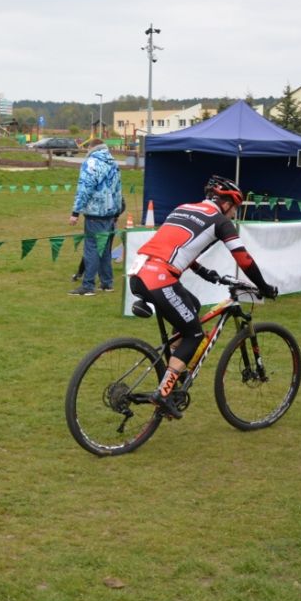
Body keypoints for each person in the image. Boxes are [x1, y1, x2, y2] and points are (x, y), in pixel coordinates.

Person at [128, 175, 278, 419]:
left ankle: (174, 369)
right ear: (226, 203)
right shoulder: (220, 221)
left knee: (193, 306)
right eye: (235, 208)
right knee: (194, 334)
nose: (234, 214)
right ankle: (163, 394)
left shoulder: (183, 208)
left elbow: (174, 244)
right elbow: (243, 259)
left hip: (139, 272)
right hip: (160, 278)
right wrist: (264, 287)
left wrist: (202, 271)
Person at [68, 138, 123, 296]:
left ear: (92, 148)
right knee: (104, 249)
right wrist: (117, 212)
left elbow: (84, 189)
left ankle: (88, 286)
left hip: (95, 213)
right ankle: (107, 283)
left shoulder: (90, 163)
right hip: (110, 213)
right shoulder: (114, 163)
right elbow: (118, 190)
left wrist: (75, 212)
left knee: (91, 249)